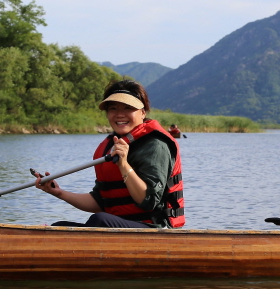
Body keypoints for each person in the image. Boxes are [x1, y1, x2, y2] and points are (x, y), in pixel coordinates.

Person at [33, 80, 185, 228]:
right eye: (113, 108)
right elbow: (100, 202)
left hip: (155, 229)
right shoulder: (111, 145)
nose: (119, 114)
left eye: (127, 108)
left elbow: (148, 201)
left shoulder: (156, 145)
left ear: (143, 112)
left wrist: (124, 165)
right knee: (59, 227)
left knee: (99, 220)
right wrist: (59, 192)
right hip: (120, 227)